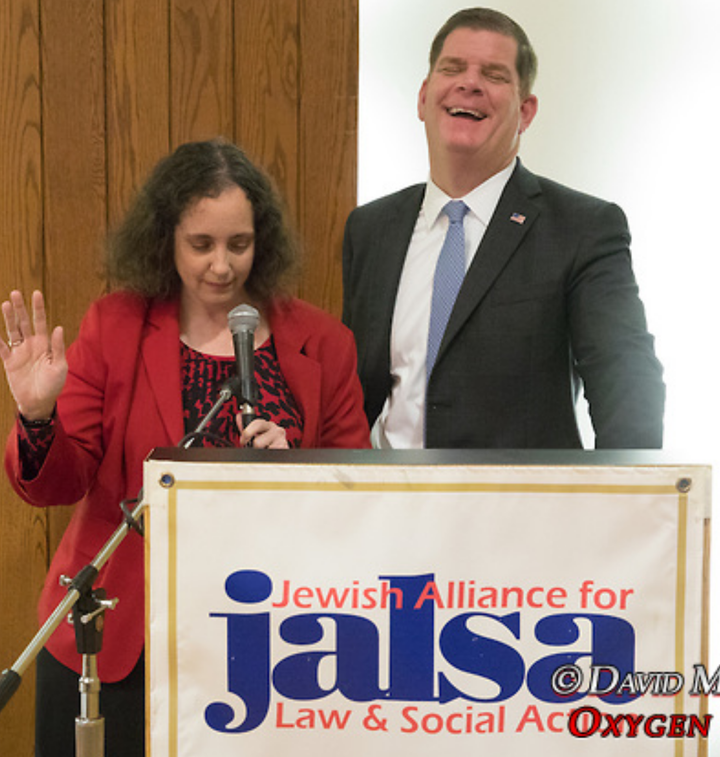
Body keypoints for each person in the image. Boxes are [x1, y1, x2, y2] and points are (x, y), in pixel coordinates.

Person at [2, 137, 370, 756]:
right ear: (166, 239)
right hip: (124, 638)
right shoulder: (115, 326)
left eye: (239, 245)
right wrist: (38, 417)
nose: (221, 266)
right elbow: (64, 482)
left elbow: (359, 495)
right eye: (201, 245)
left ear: (264, 240)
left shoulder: (322, 342)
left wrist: (299, 471)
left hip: (273, 646)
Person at [342, 7, 665, 450]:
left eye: (493, 75)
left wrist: (627, 503)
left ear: (525, 111)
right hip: (385, 506)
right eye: (452, 68)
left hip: (519, 511)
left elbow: (627, 385)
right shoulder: (371, 229)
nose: (469, 83)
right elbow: (354, 393)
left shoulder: (583, 228)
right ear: (422, 96)